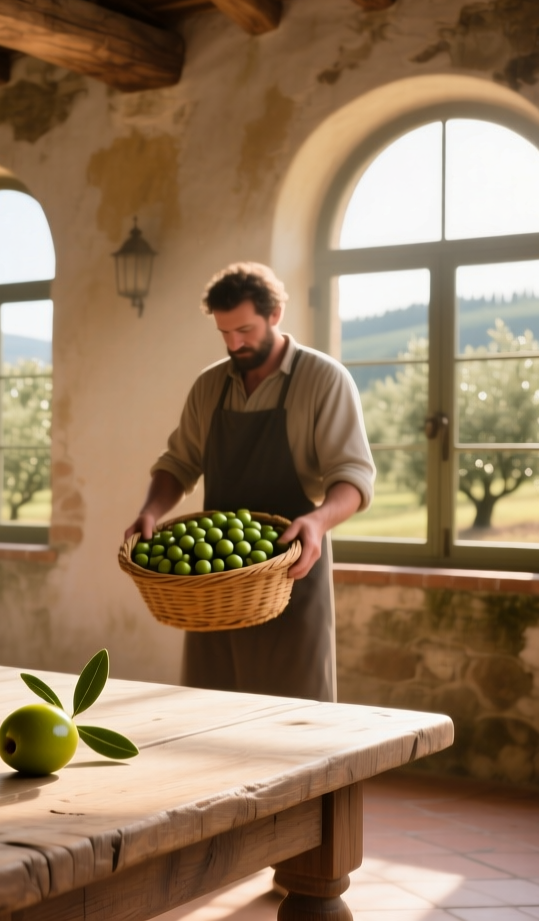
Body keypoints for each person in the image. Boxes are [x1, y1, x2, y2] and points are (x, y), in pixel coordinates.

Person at [124, 262, 374, 702]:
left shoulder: (323, 380)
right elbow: (177, 463)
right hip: (214, 581)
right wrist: (150, 511)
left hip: (292, 570)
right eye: (224, 333)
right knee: (210, 706)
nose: (234, 343)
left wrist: (317, 523)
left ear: (275, 313)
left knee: (295, 714)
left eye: (244, 329)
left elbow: (352, 478)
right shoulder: (209, 386)